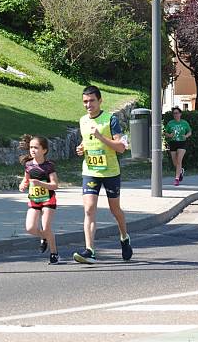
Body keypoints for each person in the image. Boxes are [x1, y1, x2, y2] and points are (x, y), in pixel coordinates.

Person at [73, 85, 133, 264]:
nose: (88, 104)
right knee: (89, 209)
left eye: (92, 100)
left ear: (100, 101)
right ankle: (89, 250)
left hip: (111, 172)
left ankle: (124, 237)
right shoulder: (83, 120)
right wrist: (81, 148)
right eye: (85, 101)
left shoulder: (110, 120)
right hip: (90, 171)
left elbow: (121, 148)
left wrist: (100, 136)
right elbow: (86, 140)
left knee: (115, 210)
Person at [18, 134, 60, 265]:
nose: (32, 150)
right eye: (31, 147)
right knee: (30, 228)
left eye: (36, 147)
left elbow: (55, 185)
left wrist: (40, 184)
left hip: (48, 199)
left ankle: (54, 253)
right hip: (34, 200)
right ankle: (44, 238)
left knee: (47, 227)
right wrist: (22, 185)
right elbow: (25, 180)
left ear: (44, 150)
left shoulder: (49, 166)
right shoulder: (28, 165)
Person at [164, 107, 192, 186]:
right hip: (173, 143)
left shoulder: (184, 123)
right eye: (174, 113)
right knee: (174, 162)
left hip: (182, 143)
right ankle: (181, 170)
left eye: (177, 113)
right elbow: (166, 133)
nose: (175, 115)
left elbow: (189, 132)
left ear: (180, 114)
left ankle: (177, 179)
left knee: (179, 160)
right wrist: (169, 135)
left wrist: (186, 136)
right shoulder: (170, 123)